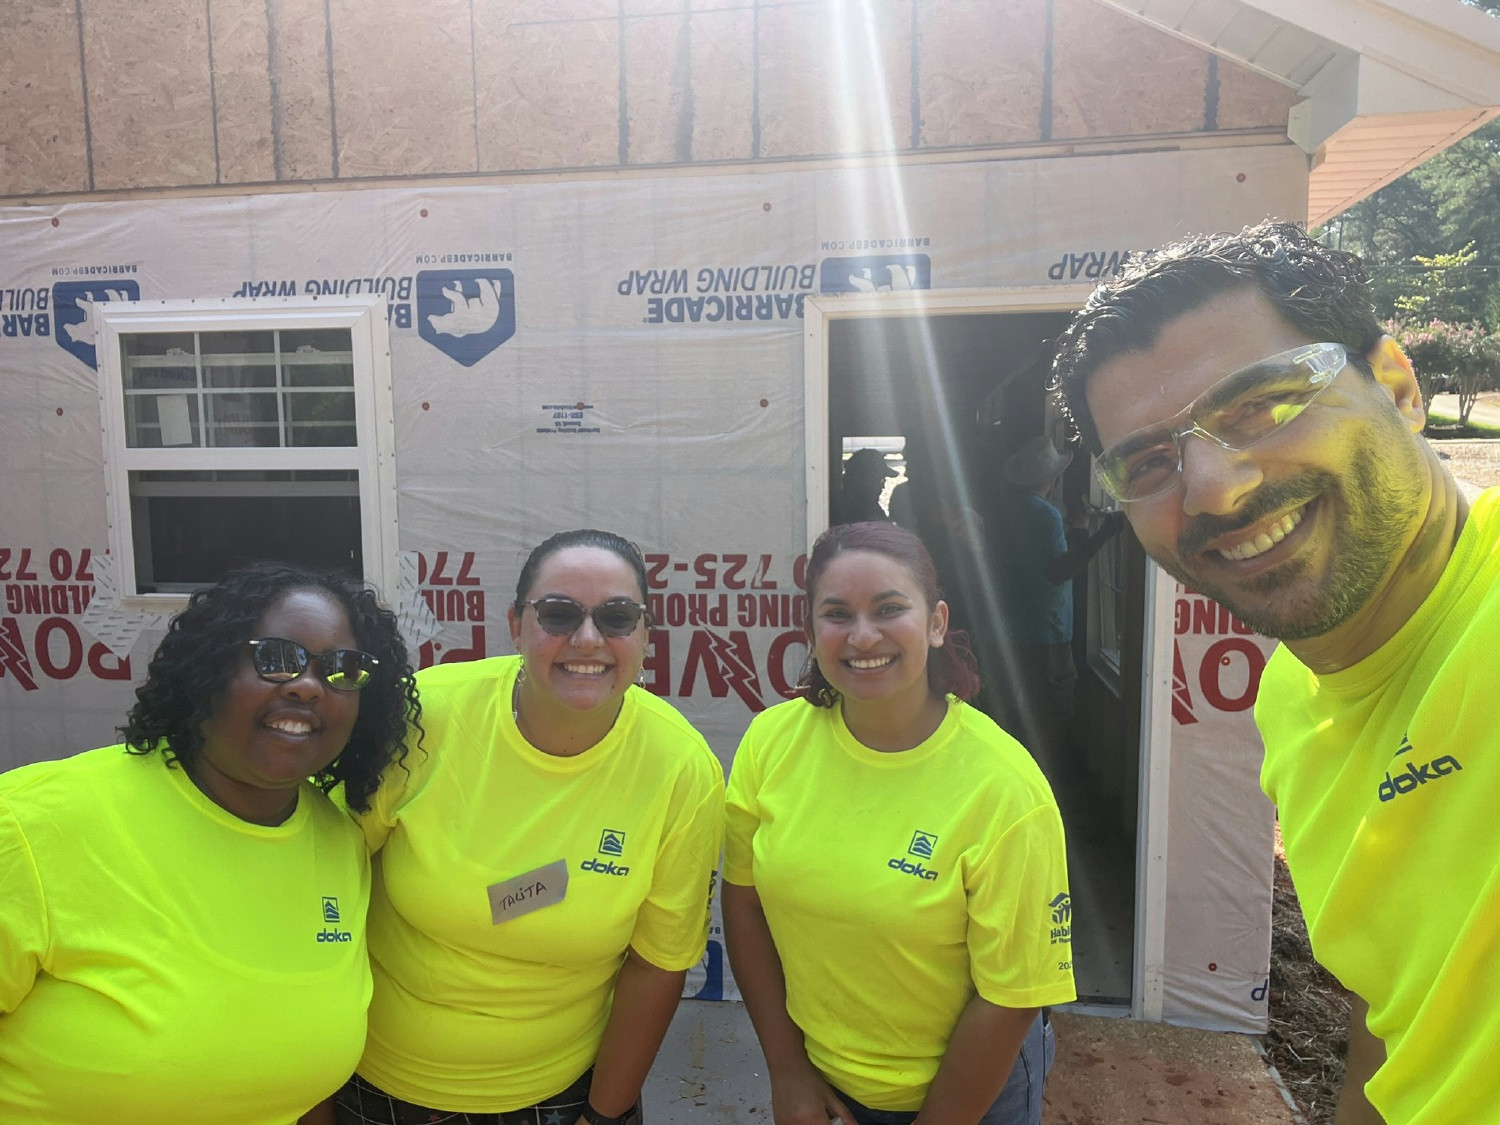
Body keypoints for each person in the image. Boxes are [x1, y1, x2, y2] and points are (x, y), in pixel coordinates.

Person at [1049, 219, 1499, 1124]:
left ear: (1399, 386)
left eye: (1260, 403)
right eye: (1150, 462)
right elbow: (1395, 1011)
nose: (1214, 486)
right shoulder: (1290, 699)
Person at [0, 562, 419, 1124]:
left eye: (342, 669)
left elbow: (305, 1072)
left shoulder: (337, 839)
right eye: (276, 659)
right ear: (210, 670)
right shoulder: (33, 822)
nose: (307, 685)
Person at [334, 529, 725, 1125]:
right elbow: (323, 875)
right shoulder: (423, 716)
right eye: (559, 614)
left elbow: (659, 963)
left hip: (560, 1095)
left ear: (646, 633)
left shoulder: (679, 768)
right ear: (516, 625)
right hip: (372, 1083)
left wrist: (604, 1114)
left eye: (617, 617)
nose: (588, 639)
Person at [722, 521, 1076, 1125]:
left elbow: (1014, 995)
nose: (863, 637)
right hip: (820, 1075)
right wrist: (785, 1069)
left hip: (971, 1095)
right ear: (810, 630)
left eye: (889, 609)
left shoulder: (1005, 788)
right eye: (837, 614)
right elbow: (744, 901)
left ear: (936, 623)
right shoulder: (769, 744)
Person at [832, 447, 899, 525]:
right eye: (880, 480)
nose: (883, 487)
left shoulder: (871, 507)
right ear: (861, 479)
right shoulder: (840, 510)